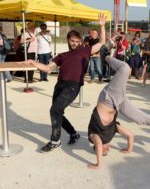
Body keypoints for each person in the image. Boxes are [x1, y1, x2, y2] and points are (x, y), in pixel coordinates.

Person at [22, 14, 107, 152]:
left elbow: (102, 42)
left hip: (73, 86)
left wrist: (102, 26)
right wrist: (33, 62)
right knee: (58, 112)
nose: (74, 43)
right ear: (68, 40)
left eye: (76, 41)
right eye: (72, 40)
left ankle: (55, 141)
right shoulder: (62, 55)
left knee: (54, 110)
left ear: (80, 41)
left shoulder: (85, 51)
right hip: (60, 85)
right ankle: (74, 133)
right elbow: (48, 68)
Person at [87, 50, 150, 169]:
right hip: (118, 103)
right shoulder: (112, 131)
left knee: (125, 68)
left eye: (104, 150)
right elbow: (130, 135)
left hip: (108, 97)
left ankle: (106, 57)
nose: (107, 149)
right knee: (140, 118)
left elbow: (98, 144)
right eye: (107, 152)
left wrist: (98, 164)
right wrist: (128, 149)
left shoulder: (94, 137)